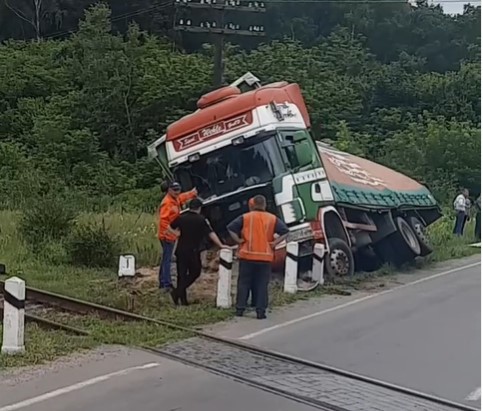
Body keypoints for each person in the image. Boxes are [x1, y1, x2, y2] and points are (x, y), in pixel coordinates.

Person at [227, 195, 289, 319]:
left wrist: (239, 241)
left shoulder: (245, 217)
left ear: (253, 204)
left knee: (244, 283)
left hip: (247, 256)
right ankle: (260, 312)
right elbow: (285, 231)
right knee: (261, 284)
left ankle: (240, 309)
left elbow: (230, 228)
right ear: (264, 205)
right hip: (265, 257)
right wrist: (275, 243)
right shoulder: (272, 218)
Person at [168, 198, 227, 306]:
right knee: (195, 272)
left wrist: (175, 234)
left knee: (181, 275)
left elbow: (169, 226)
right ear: (199, 208)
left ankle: (181, 298)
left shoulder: (181, 218)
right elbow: (210, 233)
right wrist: (220, 245)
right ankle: (178, 292)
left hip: (180, 250)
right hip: (193, 251)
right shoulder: (201, 219)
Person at [158, 181, 197, 291]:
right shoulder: (167, 203)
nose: (177, 192)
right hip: (166, 236)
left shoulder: (175, 199)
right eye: (174, 190)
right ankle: (166, 284)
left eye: (178, 189)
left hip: (170, 235)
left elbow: (182, 197)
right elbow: (163, 222)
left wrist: (192, 193)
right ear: (169, 190)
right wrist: (173, 232)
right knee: (167, 260)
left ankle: (163, 281)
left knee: (166, 258)